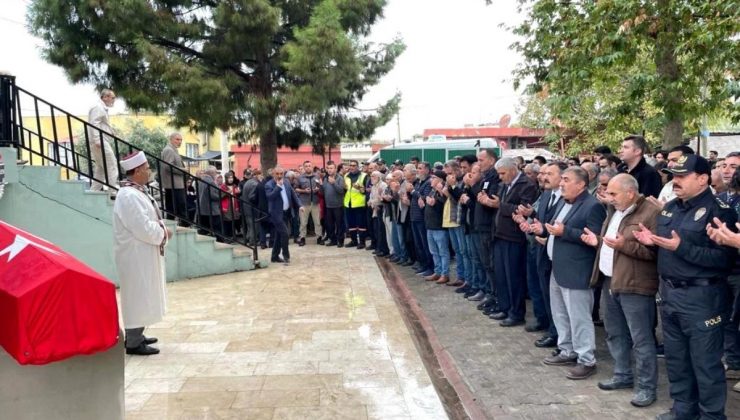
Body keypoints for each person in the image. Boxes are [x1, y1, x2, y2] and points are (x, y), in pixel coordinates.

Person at [634, 154, 737, 420]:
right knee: (677, 360)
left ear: (703, 179)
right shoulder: (670, 209)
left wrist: (682, 247)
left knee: (705, 364)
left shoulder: (719, 212)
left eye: (682, 176)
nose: (675, 181)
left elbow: (724, 260)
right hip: (670, 294)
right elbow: (667, 252)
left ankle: (712, 415)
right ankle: (683, 409)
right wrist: (652, 242)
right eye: (674, 176)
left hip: (702, 297)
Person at [581, 174, 660, 408]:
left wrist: (623, 245)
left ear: (630, 193)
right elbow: (610, 242)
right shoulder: (615, 210)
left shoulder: (650, 213)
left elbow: (654, 253)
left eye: (614, 193)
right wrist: (597, 241)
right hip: (610, 281)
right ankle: (623, 374)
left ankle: (647, 387)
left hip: (635, 285)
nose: (609, 197)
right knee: (615, 333)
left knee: (641, 338)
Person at [535, 166, 606, 380]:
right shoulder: (564, 202)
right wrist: (545, 234)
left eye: (566, 179)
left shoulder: (592, 206)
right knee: (560, 313)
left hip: (577, 270)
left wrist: (565, 232)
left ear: (581, 184)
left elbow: (593, 238)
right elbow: (556, 229)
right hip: (557, 266)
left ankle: (586, 359)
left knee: (579, 317)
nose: (562, 183)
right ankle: (567, 349)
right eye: (562, 179)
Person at [113, 151, 172, 356]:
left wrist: (160, 229)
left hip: (142, 253)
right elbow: (143, 228)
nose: (149, 172)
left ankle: (137, 334)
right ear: (137, 171)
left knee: (145, 294)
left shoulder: (136, 192)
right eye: (146, 168)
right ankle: (133, 341)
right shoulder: (129, 195)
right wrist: (164, 232)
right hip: (135, 255)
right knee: (138, 295)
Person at [489, 157, 538, 326]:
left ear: (512, 170)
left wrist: (499, 205)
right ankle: (505, 307)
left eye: (502, 173)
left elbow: (522, 210)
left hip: (515, 237)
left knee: (513, 277)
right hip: (500, 235)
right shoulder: (505, 185)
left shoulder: (527, 185)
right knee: (501, 275)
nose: (500, 177)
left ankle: (516, 313)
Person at [265, 166, 303, 263]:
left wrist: (299, 205)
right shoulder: (269, 185)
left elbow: (293, 194)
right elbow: (270, 197)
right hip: (276, 214)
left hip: (286, 213)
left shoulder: (286, 182)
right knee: (285, 234)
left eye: (281, 174)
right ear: (273, 174)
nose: (279, 176)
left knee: (279, 235)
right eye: (277, 174)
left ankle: (274, 257)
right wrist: (278, 187)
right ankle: (286, 255)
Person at [87, 89, 119, 191]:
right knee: (112, 165)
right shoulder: (98, 107)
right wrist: (97, 140)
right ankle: (112, 193)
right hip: (100, 141)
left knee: (101, 169)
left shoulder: (101, 108)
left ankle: (93, 193)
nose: (114, 100)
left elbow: (100, 124)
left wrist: (111, 132)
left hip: (100, 141)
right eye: (112, 98)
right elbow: (94, 123)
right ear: (105, 97)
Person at [423, 170, 450, 283]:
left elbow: (446, 203)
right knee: (434, 251)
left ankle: (445, 273)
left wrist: (436, 199)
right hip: (430, 225)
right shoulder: (432, 190)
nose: (431, 180)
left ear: (440, 180)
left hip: (439, 226)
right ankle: (437, 271)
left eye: (433, 177)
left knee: (442, 251)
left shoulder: (443, 190)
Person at [159, 132, 189, 226]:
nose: (179, 142)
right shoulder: (169, 150)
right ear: (171, 139)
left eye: (181, 140)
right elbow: (168, 166)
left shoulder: (173, 150)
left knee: (174, 208)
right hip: (174, 184)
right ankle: (184, 225)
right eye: (177, 139)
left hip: (175, 184)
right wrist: (183, 170)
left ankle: (175, 225)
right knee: (180, 207)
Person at [296, 161, 323, 246]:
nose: (308, 167)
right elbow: (295, 189)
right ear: (304, 168)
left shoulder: (317, 176)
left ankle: (319, 237)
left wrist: (317, 189)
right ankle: (302, 238)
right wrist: (304, 191)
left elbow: (320, 186)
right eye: (306, 166)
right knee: (303, 222)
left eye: (309, 166)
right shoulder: (299, 178)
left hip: (315, 202)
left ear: (312, 167)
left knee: (317, 222)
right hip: (304, 203)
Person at [344, 160, 368, 248]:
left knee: (361, 224)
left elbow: (366, 190)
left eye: (354, 165)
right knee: (351, 224)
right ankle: (353, 241)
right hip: (348, 203)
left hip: (359, 204)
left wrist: (360, 189)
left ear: (357, 167)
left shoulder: (364, 176)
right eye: (350, 165)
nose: (352, 167)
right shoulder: (346, 175)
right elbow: (345, 189)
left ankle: (362, 242)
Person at [321, 161, 346, 247]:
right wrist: (320, 185)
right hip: (328, 206)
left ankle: (340, 241)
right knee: (330, 224)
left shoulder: (340, 178)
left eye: (331, 168)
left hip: (338, 205)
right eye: (328, 168)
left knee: (339, 224)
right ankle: (333, 240)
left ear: (335, 169)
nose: (329, 170)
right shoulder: (325, 178)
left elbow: (341, 191)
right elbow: (323, 192)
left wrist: (334, 183)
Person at [240, 169, 259, 246]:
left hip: (246, 207)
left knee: (250, 225)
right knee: (254, 226)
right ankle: (252, 241)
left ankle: (248, 238)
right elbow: (252, 197)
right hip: (251, 208)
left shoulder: (248, 182)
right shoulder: (254, 184)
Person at [220, 171, 241, 241]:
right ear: (226, 179)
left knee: (234, 222)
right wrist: (226, 193)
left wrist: (238, 192)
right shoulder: (223, 186)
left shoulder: (234, 186)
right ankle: (227, 237)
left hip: (234, 206)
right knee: (227, 222)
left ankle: (233, 236)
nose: (231, 179)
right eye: (229, 178)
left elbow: (237, 194)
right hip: (227, 207)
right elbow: (220, 196)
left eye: (231, 177)